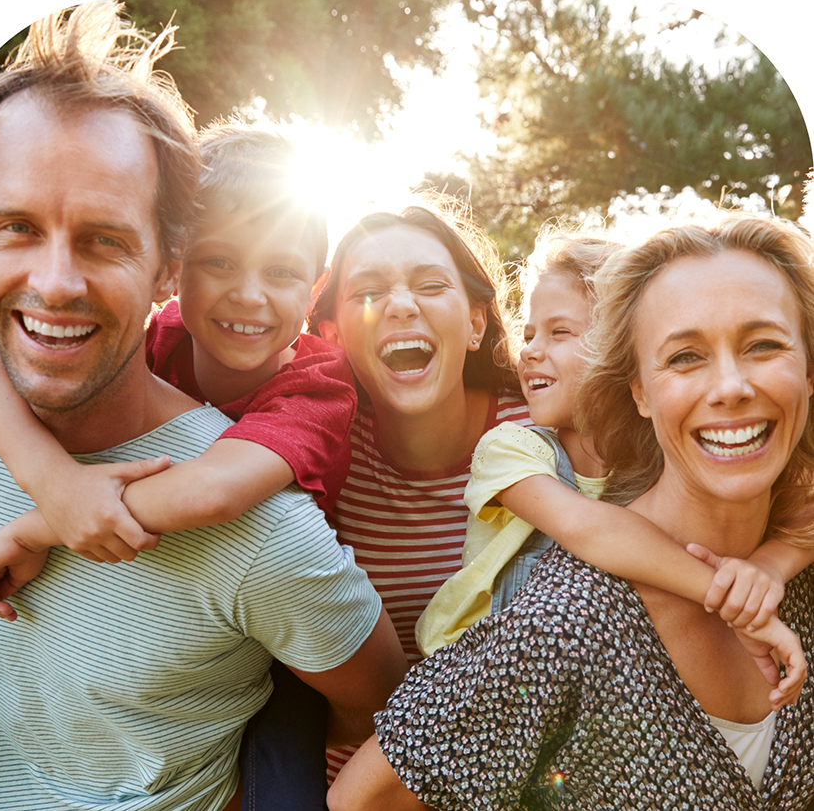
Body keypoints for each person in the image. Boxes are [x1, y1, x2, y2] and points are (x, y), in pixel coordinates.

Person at [0, 5, 406, 810]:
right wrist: (54, 481)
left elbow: (381, 698)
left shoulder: (273, 498)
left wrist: (44, 521)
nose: (56, 284)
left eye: (103, 240)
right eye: (17, 226)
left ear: (161, 264)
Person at [328, 213, 814, 810]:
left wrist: (771, 566)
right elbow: (363, 799)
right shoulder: (566, 619)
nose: (732, 386)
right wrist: (733, 594)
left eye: (764, 344)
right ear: (638, 389)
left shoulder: (794, 562)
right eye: (685, 356)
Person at [417, 230, 814, 658]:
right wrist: (733, 599)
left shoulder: (660, 456)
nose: (530, 351)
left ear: (619, 352)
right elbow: (589, 529)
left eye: (560, 332)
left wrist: (769, 567)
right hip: (476, 665)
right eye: (529, 334)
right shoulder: (512, 447)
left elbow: (802, 497)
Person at [307, 202, 531, 775]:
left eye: (430, 284)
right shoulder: (313, 452)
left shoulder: (543, 441)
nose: (401, 304)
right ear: (331, 334)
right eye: (368, 291)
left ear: (477, 323)